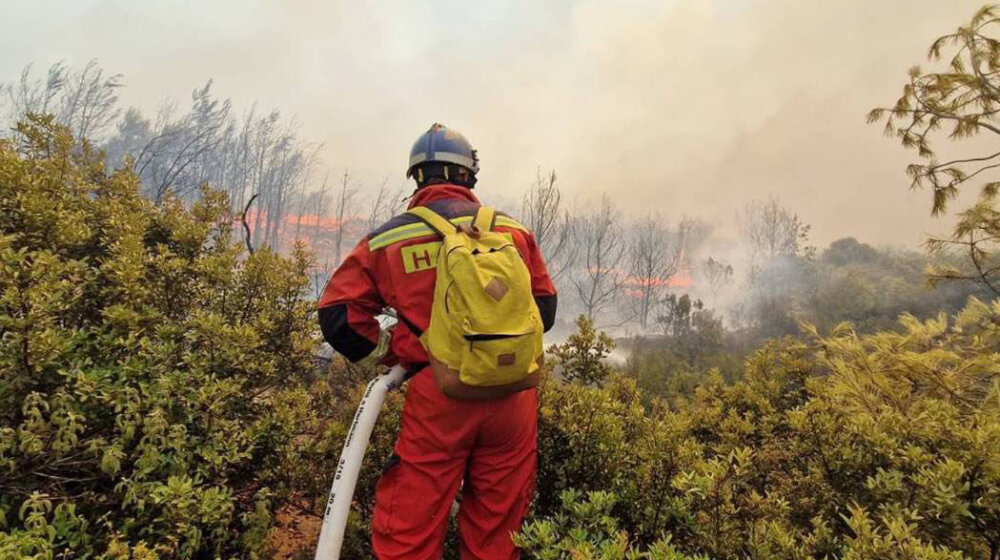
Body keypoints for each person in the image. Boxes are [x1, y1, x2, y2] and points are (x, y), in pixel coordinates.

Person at [317, 123, 557, 559]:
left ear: (417, 178)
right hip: (513, 398)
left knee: (411, 526)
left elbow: (338, 317)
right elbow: (544, 310)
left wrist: (390, 350)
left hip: (439, 394)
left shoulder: (389, 239)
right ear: (469, 176)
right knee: (498, 531)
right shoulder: (512, 232)